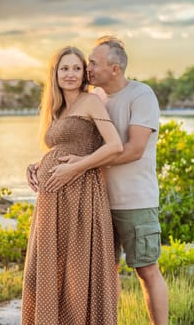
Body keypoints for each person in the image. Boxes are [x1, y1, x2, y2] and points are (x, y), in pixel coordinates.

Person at [28, 37, 169, 325]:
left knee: (147, 269)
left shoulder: (141, 96)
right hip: (95, 202)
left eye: (91, 63)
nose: (87, 69)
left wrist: (78, 167)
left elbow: (131, 149)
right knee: (101, 274)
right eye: (86, 63)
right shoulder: (95, 98)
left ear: (114, 68)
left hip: (133, 199)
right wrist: (43, 163)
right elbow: (76, 144)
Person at [21, 46, 123, 325]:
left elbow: (114, 146)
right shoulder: (58, 109)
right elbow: (63, 147)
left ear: (84, 73)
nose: (70, 74)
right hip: (53, 201)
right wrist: (39, 165)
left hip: (81, 197)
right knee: (42, 272)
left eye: (76, 68)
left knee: (76, 274)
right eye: (64, 68)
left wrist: (78, 166)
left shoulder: (91, 102)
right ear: (55, 73)